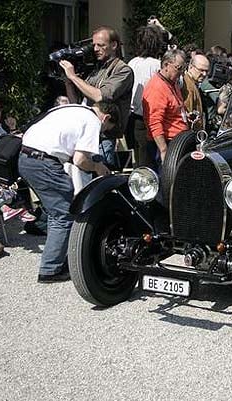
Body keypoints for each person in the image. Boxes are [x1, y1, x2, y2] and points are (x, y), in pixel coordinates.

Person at [18, 102, 115, 283]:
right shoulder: (93, 121)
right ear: (106, 118)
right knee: (64, 214)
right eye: (106, 130)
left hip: (25, 158)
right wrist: (97, 167)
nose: (102, 134)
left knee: (57, 210)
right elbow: (79, 160)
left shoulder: (72, 108)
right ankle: (51, 269)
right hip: (44, 163)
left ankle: (58, 259)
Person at [61, 26, 134, 166]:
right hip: (87, 134)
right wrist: (68, 82)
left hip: (104, 137)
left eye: (101, 45)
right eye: (94, 45)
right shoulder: (98, 69)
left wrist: (74, 77)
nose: (95, 49)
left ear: (114, 45)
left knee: (101, 179)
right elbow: (76, 102)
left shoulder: (123, 70)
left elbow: (101, 97)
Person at [127, 24, 165, 169]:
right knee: (151, 161)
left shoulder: (132, 63)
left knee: (140, 159)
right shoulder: (157, 65)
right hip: (152, 118)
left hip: (135, 118)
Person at [142, 49, 189, 165]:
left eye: (183, 68)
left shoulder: (173, 83)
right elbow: (154, 122)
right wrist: (163, 150)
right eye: (178, 68)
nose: (181, 73)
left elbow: (174, 109)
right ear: (166, 65)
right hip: (167, 145)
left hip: (178, 142)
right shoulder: (157, 88)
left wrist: (187, 116)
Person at [182, 54, 211, 131]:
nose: (204, 74)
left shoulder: (193, 83)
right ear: (191, 67)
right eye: (201, 70)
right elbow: (189, 116)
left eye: (206, 71)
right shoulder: (188, 86)